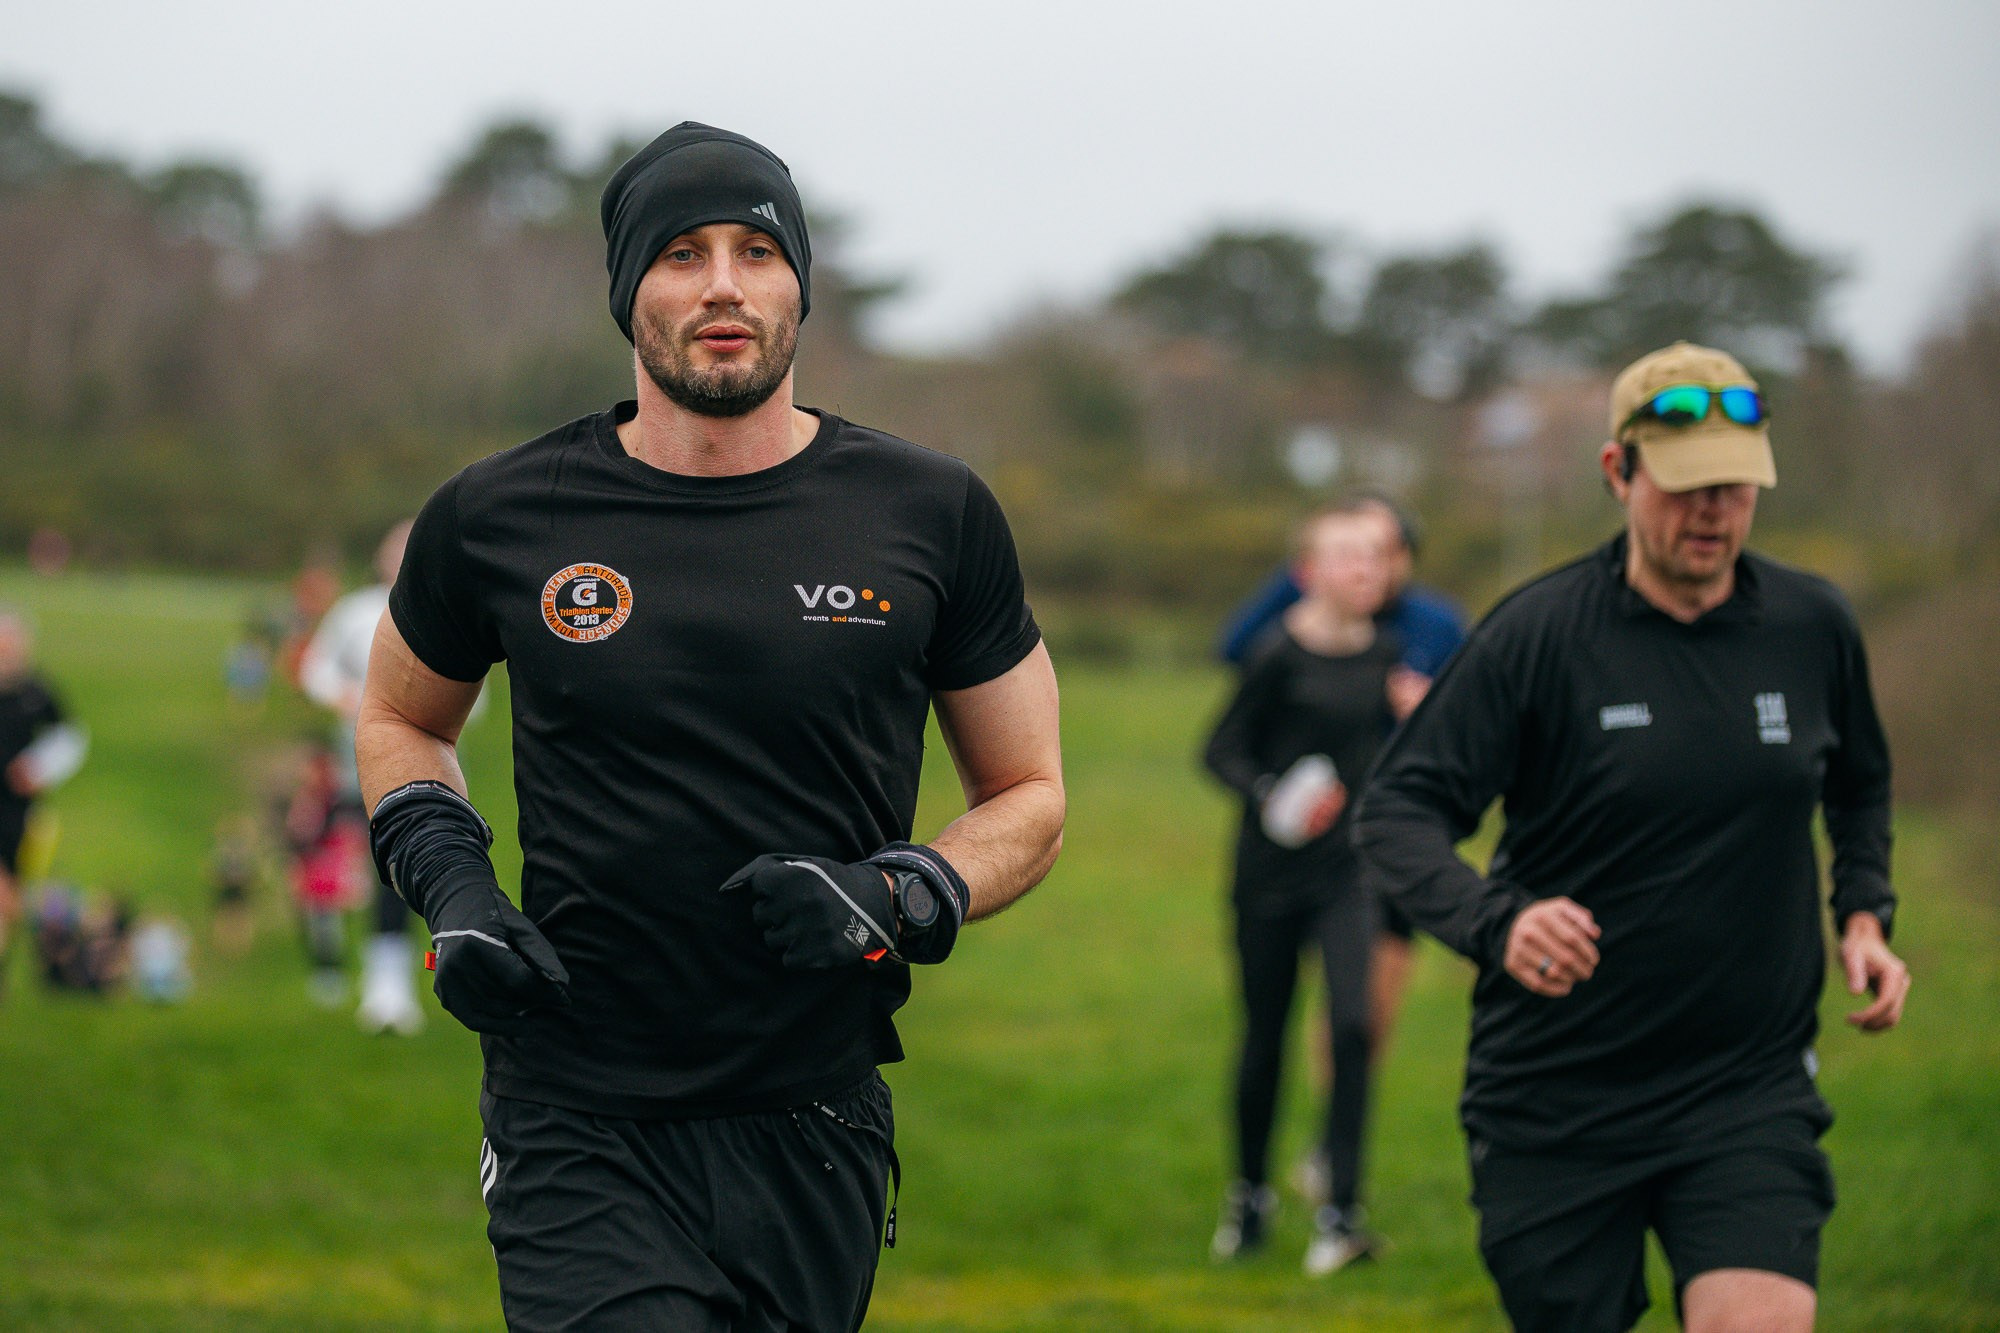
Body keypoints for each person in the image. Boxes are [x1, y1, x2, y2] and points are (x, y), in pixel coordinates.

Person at [355, 121, 1064, 1332]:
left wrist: (901, 893)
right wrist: (453, 888)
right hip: (575, 1107)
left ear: (800, 285)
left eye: (757, 251)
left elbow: (1029, 794)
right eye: (681, 254)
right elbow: (396, 717)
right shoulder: (499, 513)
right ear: (627, 290)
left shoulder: (929, 512)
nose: (724, 285)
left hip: (814, 1115)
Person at [1354, 341, 1910, 1333]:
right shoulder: (1535, 636)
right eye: (1687, 484)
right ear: (1617, 473)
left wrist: (1862, 910)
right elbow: (1394, 811)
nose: (1712, 511)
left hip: (1746, 1083)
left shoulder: (1810, 624)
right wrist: (1497, 921)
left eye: (1735, 486)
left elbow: (1859, 783)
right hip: (1556, 1097)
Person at [1202, 503, 1423, 1276]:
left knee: (1356, 1024)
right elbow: (1218, 750)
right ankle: (1251, 1197)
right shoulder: (1275, 654)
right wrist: (1272, 792)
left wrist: (1419, 720)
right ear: (1311, 573)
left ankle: (1341, 1213)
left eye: (1376, 558)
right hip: (1267, 876)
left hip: (1348, 873)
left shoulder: (1391, 655)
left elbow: (1396, 762)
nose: (1368, 570)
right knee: (1266, 1037)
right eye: (1349, 557)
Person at [300, 520, 428, 1035]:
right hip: (354, 762)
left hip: (419, 769)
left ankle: (390, 988)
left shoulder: (443, 607)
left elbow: (476, 694)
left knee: (399, 871)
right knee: (341, 865)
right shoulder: (354, 612)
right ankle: (330, 968)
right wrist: (343, 696)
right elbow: (315, 667)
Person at [0, 607, 85, 994]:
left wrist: (37, 769)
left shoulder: (36, 692)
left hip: (18, 809)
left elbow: (69, 738)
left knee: (11, 896)